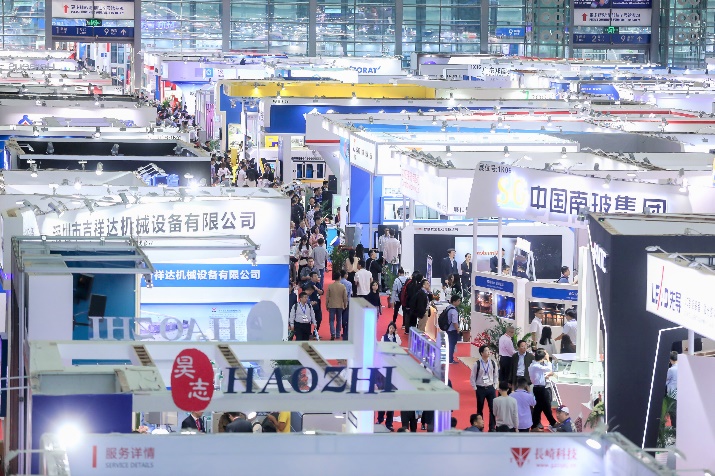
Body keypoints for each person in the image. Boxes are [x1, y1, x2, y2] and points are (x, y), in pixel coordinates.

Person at [470, 345, 499, 432]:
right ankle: (480, 427)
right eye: (486, 351)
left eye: (489, 350)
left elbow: (496, 375)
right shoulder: (477, 364)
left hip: (490, 388)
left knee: (492, 409)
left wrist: (495, 386)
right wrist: (475, 388)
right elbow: (472, 376)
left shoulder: (493, 363)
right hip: (480, 388)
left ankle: (492, 427)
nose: (488, 352)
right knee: (480, 409)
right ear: (481, 353)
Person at [529, 349, 557, 430]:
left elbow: (539, 375)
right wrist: (548, 359)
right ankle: (552, 422)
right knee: (544, 406)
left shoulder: (534, 365)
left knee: (540, 407)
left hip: (540, 387)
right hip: (540, 389)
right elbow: (549, 369)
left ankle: (536, 424)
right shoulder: (536, 366)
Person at [326, 270, 348, 341]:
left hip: (332, 305)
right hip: (340, 305)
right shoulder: (342, 286)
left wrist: (327, 305)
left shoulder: (330, 286)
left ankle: (332, 333)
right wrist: (345, 304)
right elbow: (345, 297)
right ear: (340, 277)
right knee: (339, 320)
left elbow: (327, 297)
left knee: (331, 320)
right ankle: (338, 334)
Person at [446, 295, 461, 364]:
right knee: (452, 345)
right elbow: (455, 322)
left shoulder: (448, 307)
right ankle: (450, 359)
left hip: (448, 329)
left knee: (450, 344)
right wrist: (458, 330)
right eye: (458, 301)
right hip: (452, 330)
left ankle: (449, 358)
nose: (459, 302)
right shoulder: (454, 311)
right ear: (454, 302)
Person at [339, 270, 352, 340]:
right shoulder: (349, 283)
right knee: (346, 317)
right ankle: (345, 332)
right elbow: (350, 294)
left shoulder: (338, 282)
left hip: (339, 302)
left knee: (339, 316)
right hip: (347, 302)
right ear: (345, 275)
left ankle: (338, 332)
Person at [666, 351, 678, 427]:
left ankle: (674, 430)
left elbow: (666, 381)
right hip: (679, 393)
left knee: (673, 414)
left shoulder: (671, 370)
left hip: (672, 395)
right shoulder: (682, 367)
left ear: (670, 359)